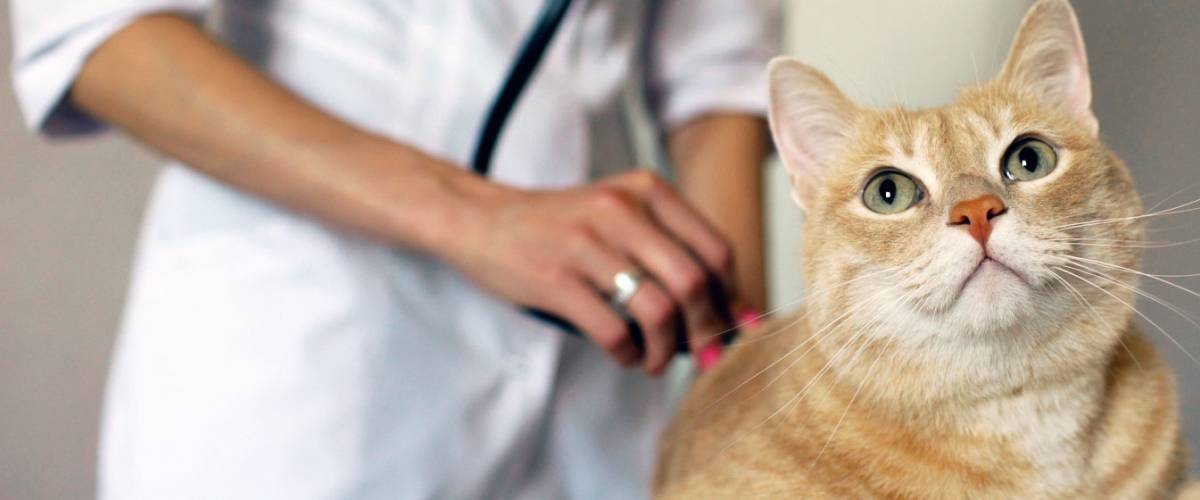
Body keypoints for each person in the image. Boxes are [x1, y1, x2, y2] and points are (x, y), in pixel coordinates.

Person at [11, 1, 779, 498]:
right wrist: (481, 220)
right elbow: (101, 36)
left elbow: (718, 78)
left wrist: (747, 413)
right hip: (308, 362)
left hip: (597, 375)